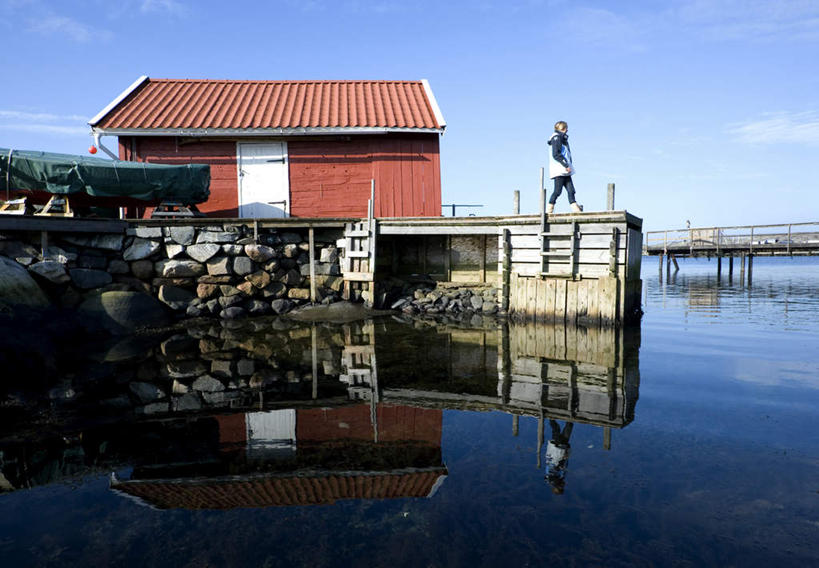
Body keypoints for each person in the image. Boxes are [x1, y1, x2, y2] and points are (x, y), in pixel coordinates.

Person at [546, 121, 582, 214]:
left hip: (565, 170)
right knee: (557, 191)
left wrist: (568, 165)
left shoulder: (563, 139)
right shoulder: (556, 138)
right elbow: (556, 154)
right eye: (566, 128)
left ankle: (575, 208)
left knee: (571, 190)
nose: (567, 130)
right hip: (560, 169)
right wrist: (565, 165)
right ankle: (549, 209)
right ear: (563, 129)